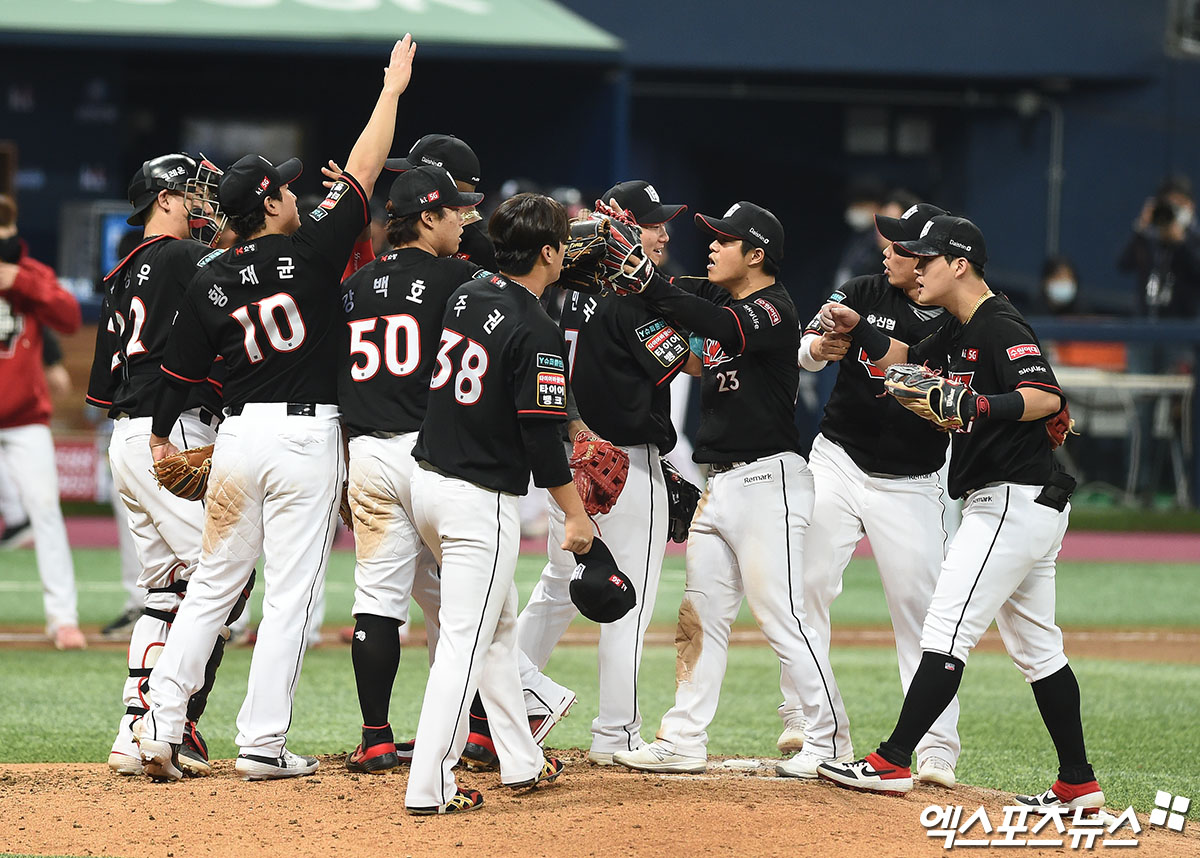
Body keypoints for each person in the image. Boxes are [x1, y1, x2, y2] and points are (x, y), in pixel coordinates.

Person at [135, 35, 418, 783]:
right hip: (304, 439)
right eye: (285, 187)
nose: (296, 192)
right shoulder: (316, 250)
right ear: (267, 200)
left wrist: (163, 439)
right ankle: (261, 745)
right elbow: (361, 171)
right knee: (292, 596)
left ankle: (160, 723)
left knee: (211, 588)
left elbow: (174, 371)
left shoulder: (211, 277)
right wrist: (390, 92)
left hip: (237, 439)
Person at [815, 216, 1104, 813]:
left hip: (1011, 500)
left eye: (926, 259)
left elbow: (1047, 395)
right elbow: (900, 359)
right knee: (1038, 650)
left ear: (960, 265)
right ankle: (1078, 783)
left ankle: (892, 760)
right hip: (1021, 503)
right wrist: (857, 325)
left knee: (945, 628)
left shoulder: (999, 322)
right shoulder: (957, 328)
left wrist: (979, 403)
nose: (914, 267)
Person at [608, 202, 851, 774]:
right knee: (699, 615)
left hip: (771, 481)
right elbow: (684, 312)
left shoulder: (773, 310)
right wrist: (631, 269)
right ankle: (683, 738)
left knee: (783, 617)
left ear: (756, 254)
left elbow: (719, 327)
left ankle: (829, 740)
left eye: (724, 240)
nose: (711, 247)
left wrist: (651, 282)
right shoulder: (721, 299)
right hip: (718, 484)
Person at [404, 193, 588, 814]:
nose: (570, 250)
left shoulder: (468, 293)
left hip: (428, 483)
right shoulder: (537, 327)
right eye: (564, 241)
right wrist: (576, 514)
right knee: (466, 643)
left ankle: (520, 758)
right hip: (476, 501)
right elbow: (542, 436)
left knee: (498, 626)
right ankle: (431, 785)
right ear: (546, 252)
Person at [499, 180, 694, 767]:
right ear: (619, 228)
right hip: (626, 466)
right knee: (623, 604)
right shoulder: (631, 299)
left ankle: (499, 713)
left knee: (556, 592)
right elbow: (683, 360)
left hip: (573, 463)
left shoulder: (556, 292)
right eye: (652, 223)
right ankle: (617, 734)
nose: (663, 233)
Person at [775, 202, 962, 784]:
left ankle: (935, 746)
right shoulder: (864, 287)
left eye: (902, 248)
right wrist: (819, 348)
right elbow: (805, 349)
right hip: (838, 457)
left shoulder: (953, 317)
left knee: (923, 613)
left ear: (932, 261)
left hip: (911, 481)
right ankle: (809, 718)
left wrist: (860, 339)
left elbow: (906, 372)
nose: (888, 252)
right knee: (804, 584)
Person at [85, 152, 245, 776]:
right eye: (195, 193)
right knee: (220, 583)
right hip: (168, 434)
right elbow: (239, 292)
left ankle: (133, 729)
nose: (205, 204)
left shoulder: (121, 272)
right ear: (166, 199)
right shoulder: (183, 258)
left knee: (165, 591)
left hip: (127, 437)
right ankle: (164, 724)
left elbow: (101, 385)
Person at [337, 164, 485, 774]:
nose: (462, 222)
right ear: (427, 217)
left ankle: (375, 737)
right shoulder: (461, 278)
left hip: (368, 454)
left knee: (376, 603)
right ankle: (479, 732)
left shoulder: (353, 286)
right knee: (472, 599)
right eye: (455, 212)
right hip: (435, 456)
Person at [0, 193, 84, 649]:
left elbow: (70, 318)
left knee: (46, 513)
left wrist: (22, 281)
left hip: (24, 418)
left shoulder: (28, 275)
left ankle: (63, 617)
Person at [384, 133, 496, 270]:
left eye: (417, 174)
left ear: (444, 178)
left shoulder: (487, 247)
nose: (408, 180)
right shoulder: (413, 232)